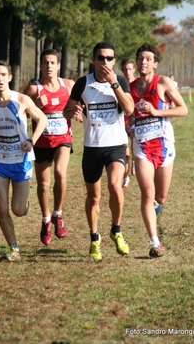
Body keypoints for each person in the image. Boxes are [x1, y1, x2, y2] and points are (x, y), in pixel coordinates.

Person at [63, 41, 134, 260]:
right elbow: (66, 111)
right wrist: (73, 110)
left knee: (115, 185)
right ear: (93, 59)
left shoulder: (120, 80)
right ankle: (95, 238)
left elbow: (129, 108)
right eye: (101, 58)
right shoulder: (83, 83)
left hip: (115, 145)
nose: (105, 62)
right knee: (93, 198)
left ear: (114, 60)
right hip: (92, 146)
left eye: (110, 58)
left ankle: (116, 230)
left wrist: (115, 85)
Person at [0, 60, 48, 261]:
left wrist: (32, 140)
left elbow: (42, 119)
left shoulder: (21, 100)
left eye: (3, 74)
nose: (0, 79)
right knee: (2, 208)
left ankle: (25, 204)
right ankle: (14, 248)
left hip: (21, 160)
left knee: (18, 210)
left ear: (10, 77)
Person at [130, 43, 188, 258]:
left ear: (154, 63)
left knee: (160, 196)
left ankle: (157, 206)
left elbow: (183, 109)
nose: (143, 62)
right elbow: (128, 115)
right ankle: (155, 243)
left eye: (147, 59)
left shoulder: (163, 83)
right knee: (147, 193)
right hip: (142, 148)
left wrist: (155, 111)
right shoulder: (131, 87)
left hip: (164, 146)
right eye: (140, 58)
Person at [24, 49, 74, 245]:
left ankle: (58, 214)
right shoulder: (33, 89)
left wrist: (77, 110)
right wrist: (35, 104)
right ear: (40, 66)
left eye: (53, 62)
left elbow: (75, 106)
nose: (49, 66)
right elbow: (22, 112)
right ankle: (46, 220)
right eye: (45, 63)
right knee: (44, 185)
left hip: (63, 139)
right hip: (42, 142)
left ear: (59, 65)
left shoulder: (67, 85)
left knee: (61, 173)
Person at [121, 58, 136, 187]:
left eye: (130, 69)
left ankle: (135, 162)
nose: (128, 72)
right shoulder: (119, 85)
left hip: (136, 123)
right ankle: (126, 177)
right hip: (122, 123)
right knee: (125, 153)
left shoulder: (137, 85)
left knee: (134, 148)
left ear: (134, 70)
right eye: (125, 69)